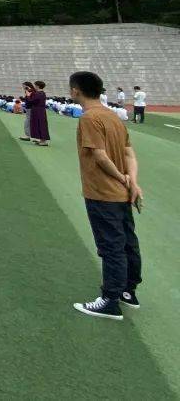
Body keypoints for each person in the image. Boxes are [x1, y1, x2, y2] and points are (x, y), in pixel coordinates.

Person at [69, 71, 143, 320]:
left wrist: (123, 179)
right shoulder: (113, 116)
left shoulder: (90, 118)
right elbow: (129, 153)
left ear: (75, 91)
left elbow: (100, 156)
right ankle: (127, 292)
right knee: (127, 243)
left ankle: (110, 299)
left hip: (103, 192)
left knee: (111, 246)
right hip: (121, 194)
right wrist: (132, 182)